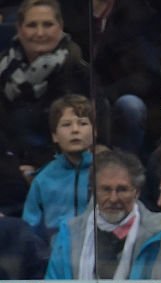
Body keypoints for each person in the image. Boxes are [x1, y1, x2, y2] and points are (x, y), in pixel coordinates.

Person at [61, 0, 161, 157]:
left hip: (118, 96)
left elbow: (144, 75)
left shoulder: (139, 13)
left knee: (131, 106)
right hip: (78, 93)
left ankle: (124, 165)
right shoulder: (70, 9)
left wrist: (102, 97)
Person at [45, 150, 161, 280]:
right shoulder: (69, 233)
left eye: (122, 190)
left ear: (137, 192)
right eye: (106, 189)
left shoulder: (160, 233)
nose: (113, 199)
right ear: (93, 191)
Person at [0, 0, 90, 172]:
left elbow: (88, 133)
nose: (40, 33)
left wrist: (39, 171)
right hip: (9, 166)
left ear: (60, 27)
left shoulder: (76, 67)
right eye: (32, 25)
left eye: (48, 24)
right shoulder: (3, 68)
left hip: (61, 166)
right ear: (19, 29)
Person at [21, 94, 94, 237]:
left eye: (82, 123)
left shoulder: (106, 173)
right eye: (66, 124)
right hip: (54, 254)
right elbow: (30, 230)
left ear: (95, 131)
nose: (75, 130)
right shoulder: (43, 179)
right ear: (54, 135)